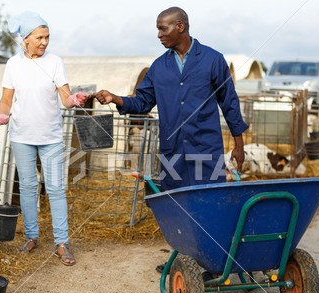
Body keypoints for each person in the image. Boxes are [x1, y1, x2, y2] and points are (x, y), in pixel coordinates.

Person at [95, 7, 248, 274]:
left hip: (206, 149)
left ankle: (213, 263)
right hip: (172, 150)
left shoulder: (213, 60)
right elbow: (142, 102)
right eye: (157, 29)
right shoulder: (159, 66)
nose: (158, 34)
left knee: (208, 207)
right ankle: (181, 260)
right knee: (177, 208)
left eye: (162, 28)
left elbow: (229, 104)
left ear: (180, 27)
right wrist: (116, 98)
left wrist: (239, 143)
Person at [0, 11, 89, 266]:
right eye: (39, 37)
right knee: (27, 187)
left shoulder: (55, 62)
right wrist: (2, 115)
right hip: (22, 135)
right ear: (25, 39)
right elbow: (6, 99)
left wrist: (74, 100)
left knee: (55, 188)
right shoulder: (13, 64)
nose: (44, 42)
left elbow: (65, 98)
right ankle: (31, 237)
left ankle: (62, 243)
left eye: (47, 37)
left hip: (50, 136)